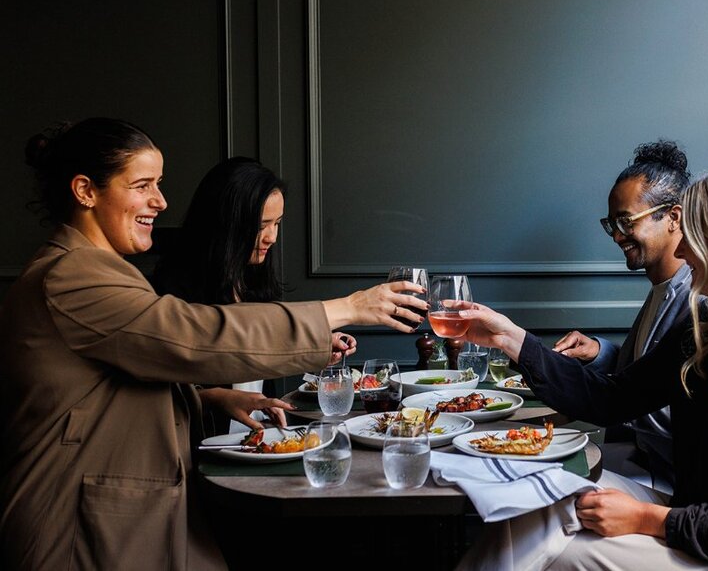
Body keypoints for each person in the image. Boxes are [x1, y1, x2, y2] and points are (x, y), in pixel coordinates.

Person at [0, 117, 428, 570]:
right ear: (85, 191)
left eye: (159, 184)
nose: (161, 201)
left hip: (129, 511)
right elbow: (190, 336)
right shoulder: (72, 275)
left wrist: (211, 397)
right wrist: (346, 307)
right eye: (142, 185)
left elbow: (111, 383)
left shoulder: (97, 269)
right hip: (73, 521)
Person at [456, 163, 708, 569]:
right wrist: (508, 337)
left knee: (569, 554)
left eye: (694, 237)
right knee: (535, 497)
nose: (680, 251)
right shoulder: (704, 333)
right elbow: (611, 398)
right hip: (699, 516)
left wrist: (648, 518)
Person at [151, 156, 352, 434]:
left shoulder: (251, 275)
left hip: (255, 436)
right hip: (199, 446)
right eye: (261, 226)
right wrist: (212, 399)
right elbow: (161, 389)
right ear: (225, 224)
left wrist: (315, 348)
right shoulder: (173, 284)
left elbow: (255, 348)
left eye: (277, 223)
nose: (272, 237)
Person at [552, 140, 692, 492]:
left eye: (626, 221)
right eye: (611, 223)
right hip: (641, 456)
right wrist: (600, 354)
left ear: (673, 217)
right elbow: (651, 373)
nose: (616, 235)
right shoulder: (661, 286)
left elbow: (653, 398)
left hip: (673, 477)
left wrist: (586, 399)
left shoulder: (695, 299)